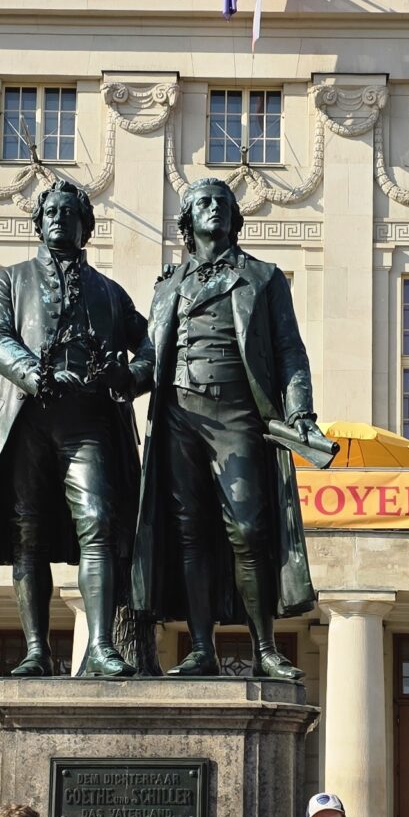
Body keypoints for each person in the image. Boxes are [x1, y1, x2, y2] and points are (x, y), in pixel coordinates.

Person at [130, 176, 331, 679]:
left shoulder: (263, 277)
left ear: (235, 217)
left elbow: (290, 351)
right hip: (179, 416)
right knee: (189, 532)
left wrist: (300, 412)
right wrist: (118, 379)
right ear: (188, 219)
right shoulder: (168, 285)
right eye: (203, 202)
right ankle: (201, 648)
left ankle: (265, 648)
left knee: (248, 528)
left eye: (222, 202)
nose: (214, 208)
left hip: (237, 413)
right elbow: (151, 356)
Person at [0, 178, 150, 677]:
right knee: (27, 532)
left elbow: (151, 347)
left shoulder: (110, 293)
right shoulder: (8, 281)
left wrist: (129, 375)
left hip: (89, 422)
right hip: (25, 418)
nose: (58, 219)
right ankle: (36, 650)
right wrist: (35, 373)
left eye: (69, 213)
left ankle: (100, 646)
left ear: (85, 226)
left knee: (98, 521)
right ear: (39, 223)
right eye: (50, 212)